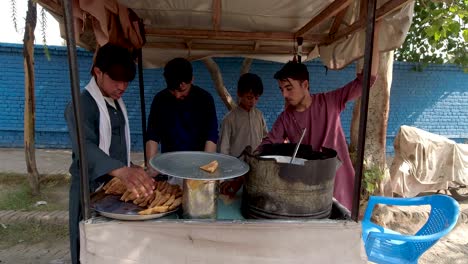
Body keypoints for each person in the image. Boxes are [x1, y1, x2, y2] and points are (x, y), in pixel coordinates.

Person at [64, 44, 155, 264]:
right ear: (98, 72)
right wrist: (121, 170)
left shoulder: (115, 104)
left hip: (113, 190)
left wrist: (130, 167)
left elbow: (116, 147)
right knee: (87, 247)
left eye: (126, 81)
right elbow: (84, 146)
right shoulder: (81, 105)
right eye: (116, 79)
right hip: (88, 190)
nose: (122, 86)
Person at [146, 58, 218, 180]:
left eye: (182, 90)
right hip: (169, 166)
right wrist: (151, 166)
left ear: (192, 80)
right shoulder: (160, 99)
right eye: (173, 90)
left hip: (198, 167)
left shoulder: (205, 99)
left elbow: (211, 137)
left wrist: (206, 169)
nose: (177, 95)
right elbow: (152, 136)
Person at [218, 73, 268, 196]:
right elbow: (223, 150)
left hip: (256, 169)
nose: (253, 102)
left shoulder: (259, 115)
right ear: (240, 94)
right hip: (235, 172)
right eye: (250, 97)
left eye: (256, 98)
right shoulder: (229, 119)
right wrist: (224, 179)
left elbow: (266, 139)